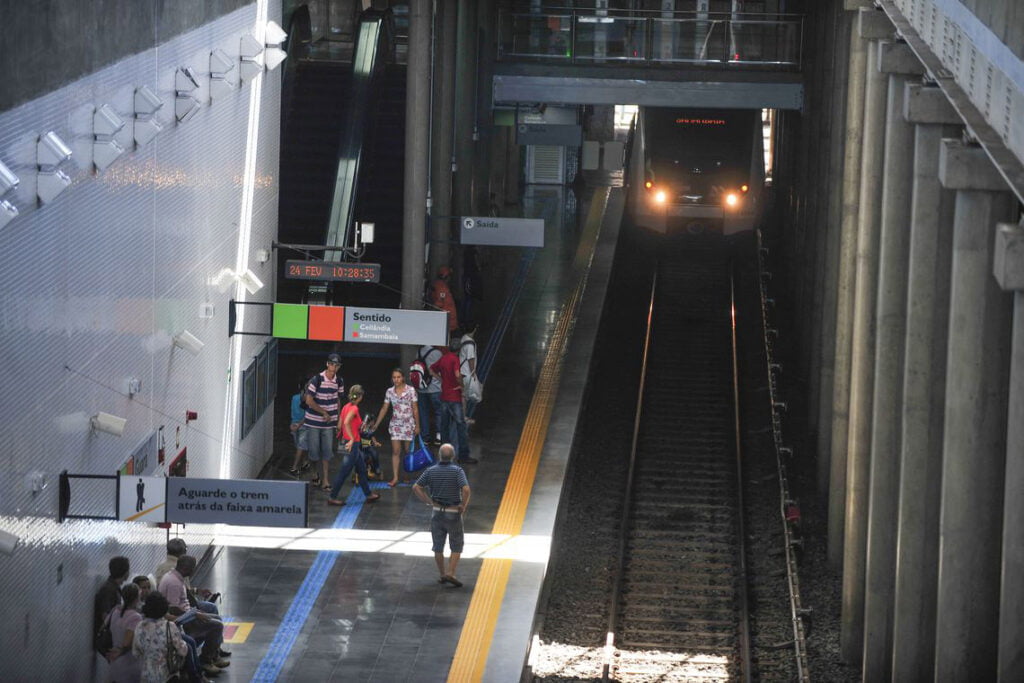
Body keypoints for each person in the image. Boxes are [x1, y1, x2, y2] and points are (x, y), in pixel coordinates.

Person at [412, 444, 471, 587]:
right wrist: (463, 505)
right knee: (456, 544)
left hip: (437, 512)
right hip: (453, 512)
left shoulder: (430, 471)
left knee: (438, 546)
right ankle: (451, 572)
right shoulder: (457, 471)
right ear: (453, 456)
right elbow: (466, 489)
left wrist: (428, 501)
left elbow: (416, 487)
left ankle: (442, 574)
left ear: (439, 455)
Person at [158, 555, 228, 676]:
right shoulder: (174, 583)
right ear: (186, 568)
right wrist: (195, 614)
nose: (194, 570)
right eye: (192, 568)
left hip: (190, 612)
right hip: (187, 621)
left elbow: (183, 596)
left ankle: (212, 655)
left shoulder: (175, 576)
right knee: (217, 625)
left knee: (215, 617)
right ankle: (205, 660)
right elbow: (173, 610)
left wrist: (196, 600)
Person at [327, 385, 382, 506]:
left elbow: (340, 425)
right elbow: (346, 423)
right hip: (352, 444)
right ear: (360, 396)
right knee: (344, 472)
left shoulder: (346, 407)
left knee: (362, 470)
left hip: (347, 443)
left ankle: (368, 494)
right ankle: (332, 497)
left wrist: (355, 429)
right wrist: (352, 438)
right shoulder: (355, 409)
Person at [430, 338, 476, 464]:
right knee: (461, 426)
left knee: (444, 427)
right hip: (454, 398)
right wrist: (461, 386)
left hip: (444, 396)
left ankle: (445, 455)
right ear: (459, 349)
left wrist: (441, 379)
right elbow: (457, 374)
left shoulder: (443, 358)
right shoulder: (455, 359)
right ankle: (463, 455)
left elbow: (431, 369)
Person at [373, 368, 421, 488]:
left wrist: (418, 425)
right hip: (395, 425)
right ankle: (395, 477)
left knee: (408, 451)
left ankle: (406, 474)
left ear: (403, 377)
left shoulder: (411, 390)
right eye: (394, 377)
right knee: (395, 451)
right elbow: (384, 408)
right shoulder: (389, 391)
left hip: (408, 424)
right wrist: (376, 424)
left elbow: (415, 408)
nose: (396, 380)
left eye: (398, 377)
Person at [155, 538, 223, 619]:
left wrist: (197, 591)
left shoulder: (161, 567)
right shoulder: (180, 568)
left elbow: (183, 590)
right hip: (182, 608)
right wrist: (195, 612)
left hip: (174, 605)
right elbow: (180, 600)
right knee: (212, 608)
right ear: (183, 551)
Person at [305, 353, 344, 490]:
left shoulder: (339, 381)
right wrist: (323, 412)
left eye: (337, 365)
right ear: (327, 364)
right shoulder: (317, 379)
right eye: (332, 364)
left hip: (329, 422)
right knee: (314, 452)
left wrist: (338, 419)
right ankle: (314, 471)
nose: (334, 367)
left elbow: (338, 400)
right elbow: (309, 400)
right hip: (314, 422)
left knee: (327, 451)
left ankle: (326, 480)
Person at [132, 592, 189, 683]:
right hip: (167, 674)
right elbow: (182, 651)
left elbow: (136, 653)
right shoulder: (169, 626)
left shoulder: (140, 626)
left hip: (147, 675)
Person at [106, 582, 143, 681]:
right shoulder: (135, 617)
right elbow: (127, 643)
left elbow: (104, 629)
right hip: (129, 663)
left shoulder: (115, 611)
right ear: (136, 598)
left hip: (114, 660)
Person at [95, 556, 130, 635]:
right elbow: (106, 615)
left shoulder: (114, 587)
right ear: (124, 572)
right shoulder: (108, 590)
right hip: (107, 638)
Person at [417, 344, 444, 444]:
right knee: (439, 412)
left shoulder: (419, 352)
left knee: (423, 413)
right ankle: (439, 436)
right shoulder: (438, 353)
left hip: (422, 388)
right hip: (435, 388)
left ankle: (425, 437)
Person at [288, 377, 310, 476]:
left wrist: (293, 424)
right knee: (301, 446)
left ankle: (305, 462)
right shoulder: (308, 400)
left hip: (294, 424)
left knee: (299, 446)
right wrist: (299, 425)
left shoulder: (294, 398)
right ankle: (294, 467)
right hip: (303, 426)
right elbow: (307, 416)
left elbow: (292, 411)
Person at [458, 325, 480, 420]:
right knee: (464, 396)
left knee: (462, 395)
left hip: (461, 370)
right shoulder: (470, 344)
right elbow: (471, 359)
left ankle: (461, 415)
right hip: (467, 373)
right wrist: (473, 373)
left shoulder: (463, 338)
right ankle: (463, 417)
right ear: (474, 329)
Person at [430, 266, 459, 334]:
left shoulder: (438, 285)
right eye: (449, 276)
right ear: (446, 277)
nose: (450, 278)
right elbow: (439, 304)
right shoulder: (442, 288)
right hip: (448, 323)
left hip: (447, 322)